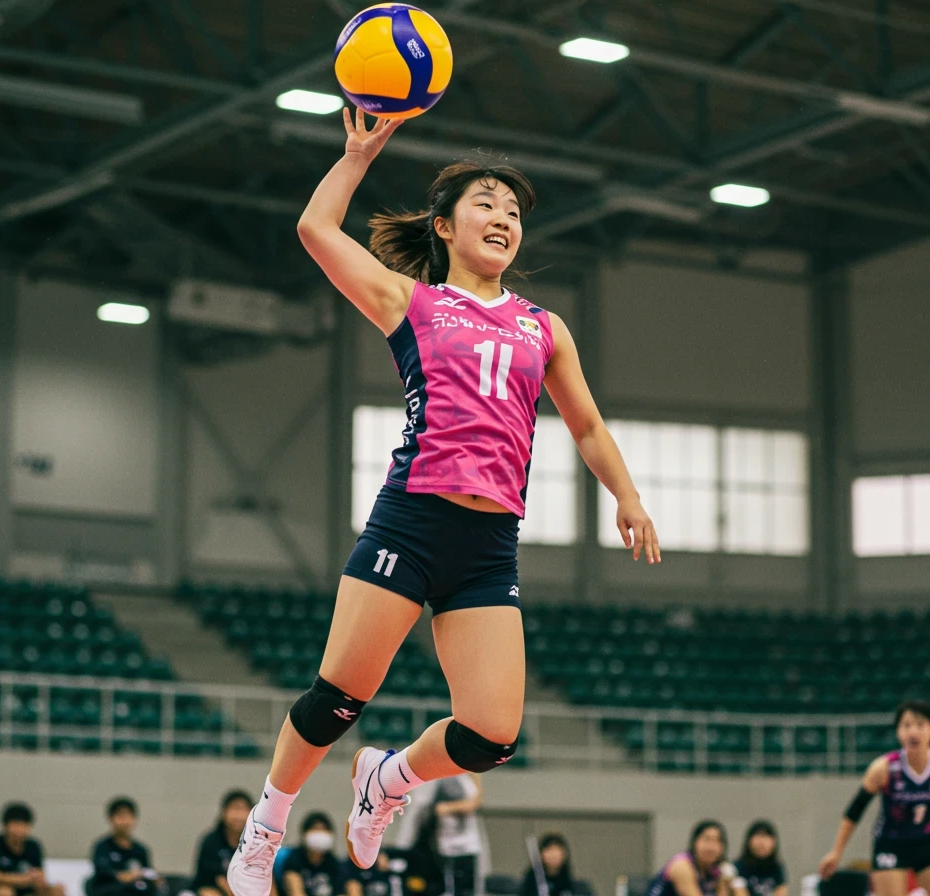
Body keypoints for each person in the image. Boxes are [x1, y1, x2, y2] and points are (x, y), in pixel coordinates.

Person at [229, 104, 659, 896]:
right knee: (336, 700)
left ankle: (387, 782)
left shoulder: (544, 327)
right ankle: (265, 830)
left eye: (514, 210)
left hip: (490, 543)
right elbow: (317, 230)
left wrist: (627, 497)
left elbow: (588, 425)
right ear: (446, 226)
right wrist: (359, 154)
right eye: (486, 204)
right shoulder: (411, 302)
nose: (503, 217)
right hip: (414, 517)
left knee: (491, 735)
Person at [817, 700, 930, 896]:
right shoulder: (884, 768)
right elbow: (854, 811)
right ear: (898, 733)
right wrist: (836, 852)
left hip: (926, 843)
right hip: (890, 844)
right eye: (906, 725)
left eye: (920, 725)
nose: (913, 732)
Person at [0, 803, 64, 896]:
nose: (19, 830)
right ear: (5, 826)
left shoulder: (33, 846)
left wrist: (40, 881)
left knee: (57, 890)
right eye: (16, 825)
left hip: (26, 891)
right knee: (4, 892)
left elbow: (39, 874)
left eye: (23, 825)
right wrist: (23, 879)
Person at [644, 821, 744, 896]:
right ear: (694, 842)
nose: (711, 847)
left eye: (717, 841)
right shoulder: (681, 865)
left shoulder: (717, 869)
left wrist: (730, 879)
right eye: (706, 839)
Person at [279, 813, 361, 896]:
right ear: (305, 833)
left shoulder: (333, 862)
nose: (320, 833)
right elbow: (295, 891)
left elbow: (341, 892)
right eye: (315, 829)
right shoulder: (294, 858)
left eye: (323, 829)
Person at [90, 798, 159, 896]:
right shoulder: (102, 847)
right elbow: (102, 873)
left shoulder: (141, 849)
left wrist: (154, 879)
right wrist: (124, 876)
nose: (125, 821)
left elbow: (147, 871)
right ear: (111, 819)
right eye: (120, 816)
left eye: (128, 816)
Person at [192, 791, 256, 896]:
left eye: (243, 809)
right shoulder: (212, 841)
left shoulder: (256, 842)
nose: (238, 816)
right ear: (223, 813)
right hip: (211, 888)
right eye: (234, 809)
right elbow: (218, 878)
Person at [431, 774, 486, 896]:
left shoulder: (470, 778)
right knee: (449, 887)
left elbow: (476, 802)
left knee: (467, 889)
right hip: (448, 844)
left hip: (468, 843)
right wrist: (462, 806)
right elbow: (439, 808)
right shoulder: (446, 779)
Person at [733, 822, 785, 896]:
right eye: (758, 836)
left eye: (766, 837)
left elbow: (781, 891)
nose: (762, 842)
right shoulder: (738, 867)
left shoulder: (777, 867)